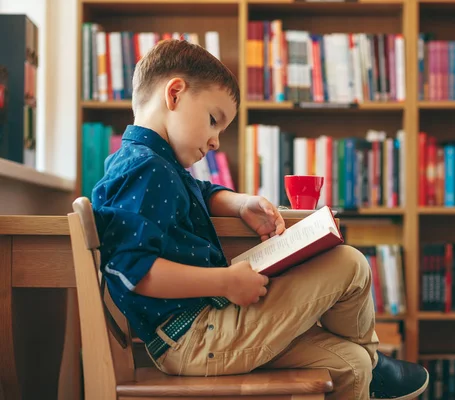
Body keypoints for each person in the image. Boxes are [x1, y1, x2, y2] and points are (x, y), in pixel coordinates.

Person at [91, 38, 428, 400]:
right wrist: (224, 282)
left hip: (205, 330)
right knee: (349, 263)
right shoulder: (145, 168)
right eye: (213, 121)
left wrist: (239, 204)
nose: (216, 141)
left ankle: (369, 365)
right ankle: (376, 363)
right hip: (195, 337)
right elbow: (133, 271)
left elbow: (200, 193)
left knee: (350, 364)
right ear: (174, 94)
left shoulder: (155, 163)